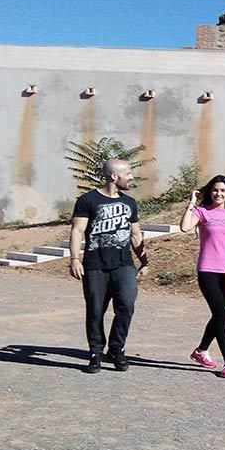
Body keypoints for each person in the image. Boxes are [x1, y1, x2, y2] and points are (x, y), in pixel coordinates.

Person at [69, 158, 148, 373]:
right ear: (114, 176)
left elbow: (135, 234)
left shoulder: (130, 202)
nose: (132, 177)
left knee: (127, 305)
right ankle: (95, 351)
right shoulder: (88, 200)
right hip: (95, 265)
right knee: (95, 310)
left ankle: (116, 348)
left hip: (124, 265)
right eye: (128, 173)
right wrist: (75, 259)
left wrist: (144, 261)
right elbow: (77, 231)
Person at [179, 175, 225, 379]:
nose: (218, 194)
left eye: (222, 190)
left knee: (220, 315)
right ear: (209, 192)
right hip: (208, 270)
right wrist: (192, 202)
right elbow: (185, 227)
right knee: (221, 314)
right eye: (214, 190)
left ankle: (201, 351)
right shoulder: (202, 212)